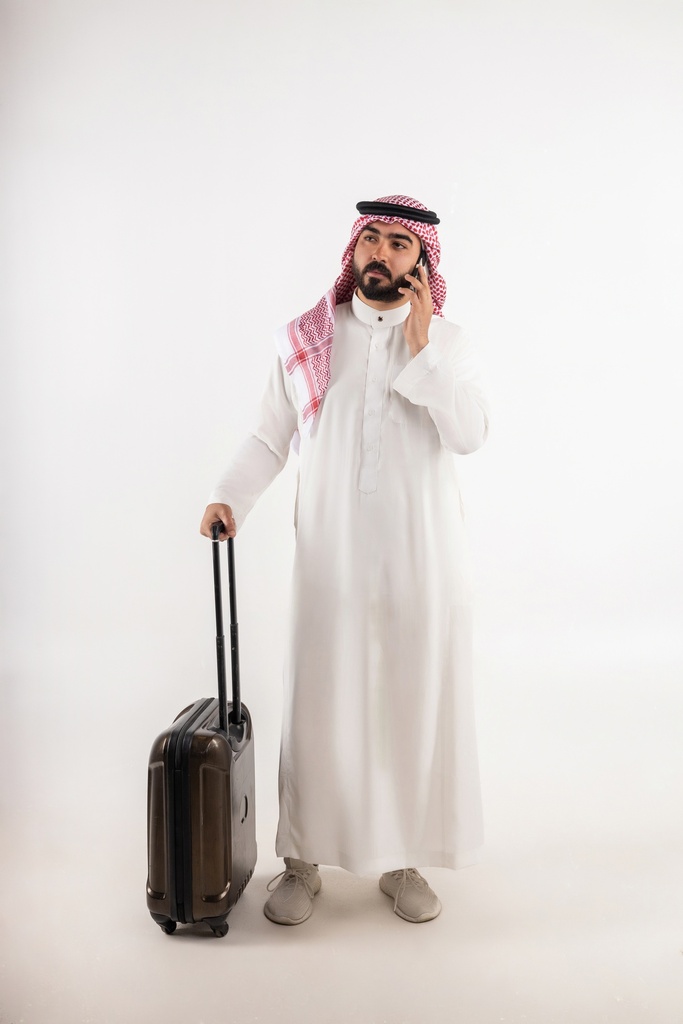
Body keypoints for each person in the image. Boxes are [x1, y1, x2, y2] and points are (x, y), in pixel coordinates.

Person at [200, 194, 489, 926]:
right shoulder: (309, 337)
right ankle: (301, 861)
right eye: (372, 239)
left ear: (421, 262)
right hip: (330, 561)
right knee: (321, 706)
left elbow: (468, 435)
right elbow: (269, 437)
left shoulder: (449, 344)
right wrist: (229, 497)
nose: (382, 253)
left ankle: (403, 859)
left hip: (421, 562)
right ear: (353, 249)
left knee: (409, 706)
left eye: (399, 243)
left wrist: (423, 348)